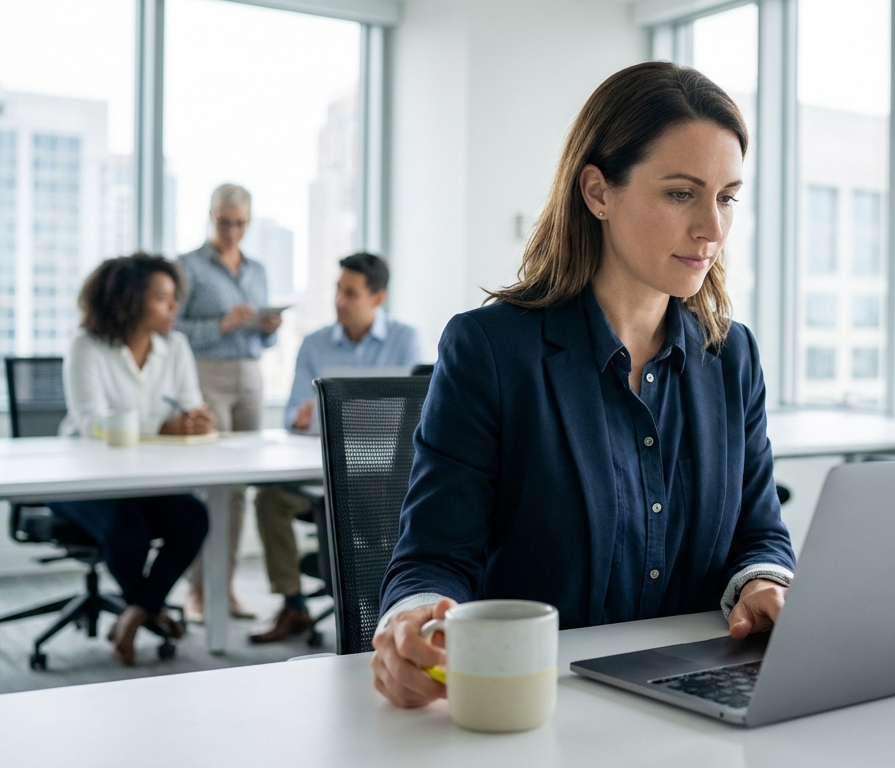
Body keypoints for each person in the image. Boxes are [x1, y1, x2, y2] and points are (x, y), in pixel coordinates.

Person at [370, 62, 796, 708]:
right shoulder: (490, 351)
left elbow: (758, 532)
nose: (712, 227)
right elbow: (433, 554)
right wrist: (415, 620)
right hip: (540, 706)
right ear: (597, 192)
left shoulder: (730, 356)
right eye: (682, 193)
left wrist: (764, 585)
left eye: (727, 196)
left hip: (693, 705)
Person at [249, 253, 423, 643]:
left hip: (384, 477)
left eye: (351, 293)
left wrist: (341, 409)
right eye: (338, 291)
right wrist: (308, 415)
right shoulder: (314, 344)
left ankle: (388, 604)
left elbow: (413, 413)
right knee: (269, 499)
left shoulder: (404, 339)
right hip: (322, 471)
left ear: (378, 298)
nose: (339, 301)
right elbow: (293, 415)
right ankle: (293, 604)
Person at [54, 254, 215, 666]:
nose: (173, 307)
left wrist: (195, 419)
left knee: (194, 518)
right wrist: (165, 427)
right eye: (161, 298)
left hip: (145, 478)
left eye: (173, 297)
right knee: (129, 530)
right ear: (128, 301)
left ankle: (136, 611)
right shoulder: (86, 347)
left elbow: (189, 404)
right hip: (79, 479)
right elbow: (93, 423)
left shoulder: (175, 346)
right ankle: (150, 609)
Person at [175, 183, 279, 622]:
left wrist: (266, 326)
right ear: (210, 216)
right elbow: (173, 329)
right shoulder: (188, 267)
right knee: (210, 483)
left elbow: (265, 335)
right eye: (224, 222)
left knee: (238, 488)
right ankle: (197, 590)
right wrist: (222, 323)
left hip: (249, 376)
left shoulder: (257, 268)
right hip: (207, 374)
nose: (232, 231)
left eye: (240, 223)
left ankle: (226, 586)